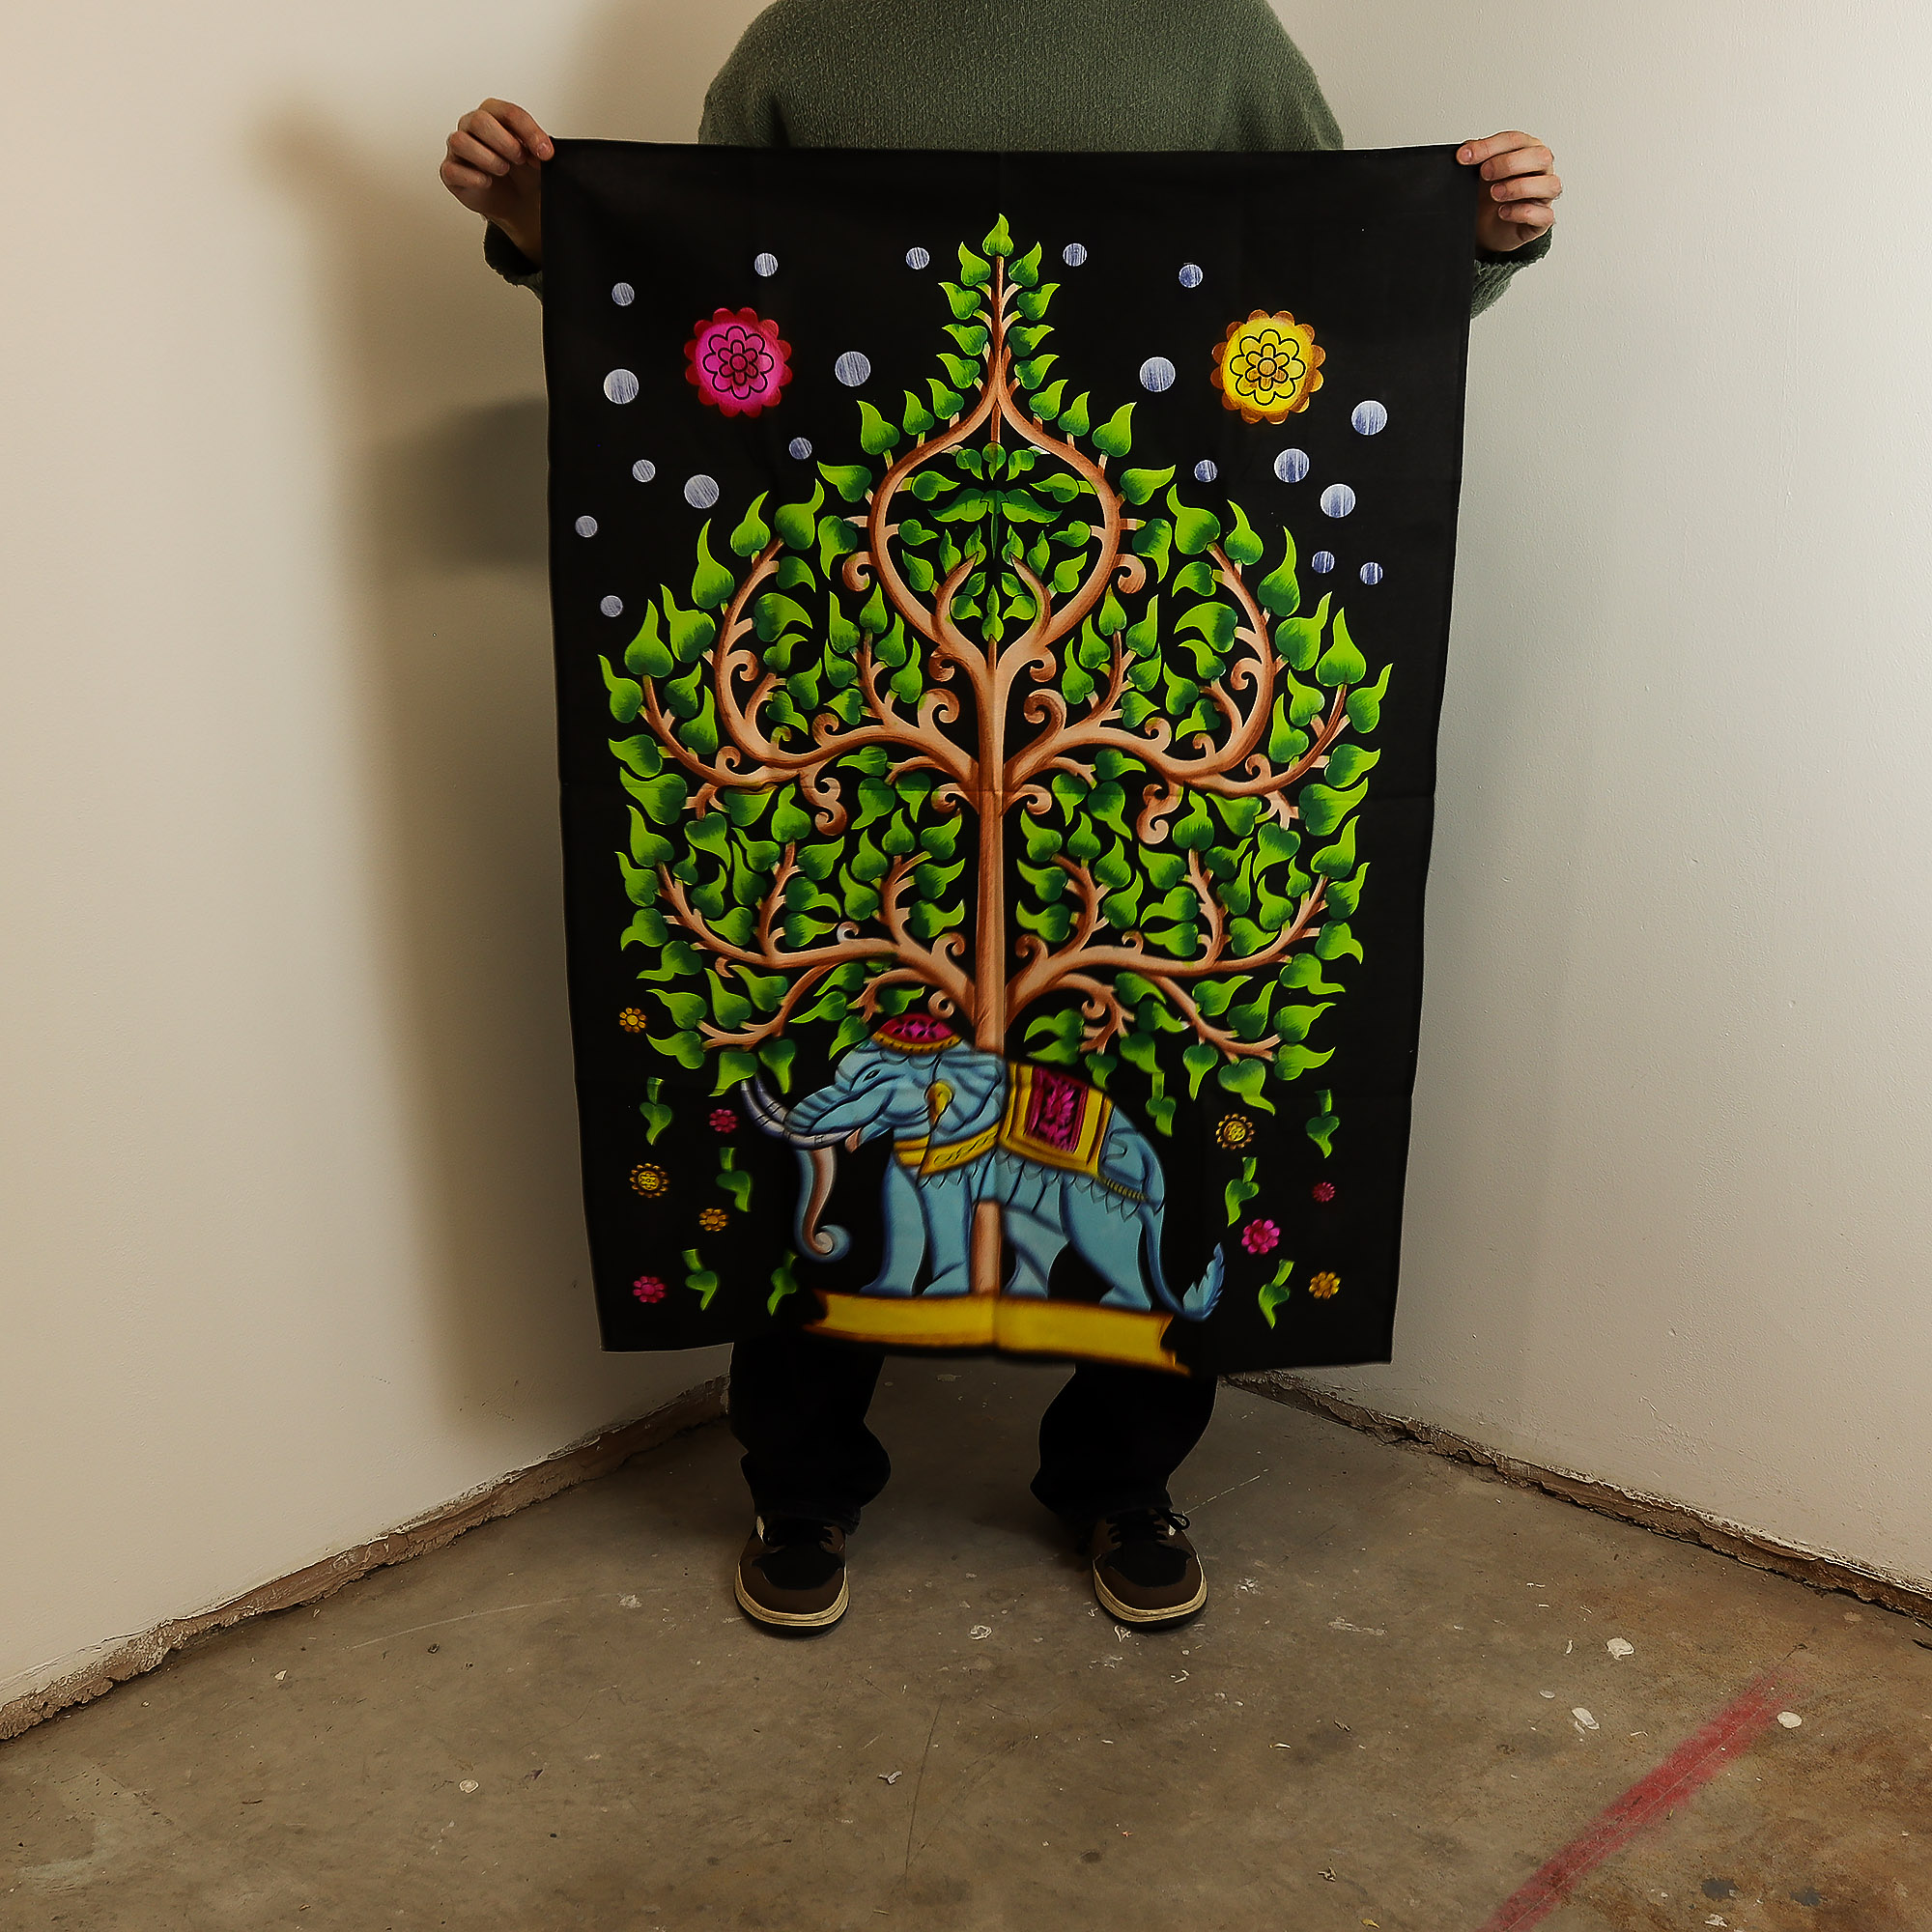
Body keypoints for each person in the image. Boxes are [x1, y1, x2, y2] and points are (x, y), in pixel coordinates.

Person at [439, 0, 1559, 1636]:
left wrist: (1481, 236)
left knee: (1157, 1073)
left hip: (1144, 657)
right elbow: (695, 283)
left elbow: (1338, 265)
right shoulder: (808, 41)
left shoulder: (1215, 39)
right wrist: (549, 224)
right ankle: (801, 1481)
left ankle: (1122, 1475)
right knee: (822, 1043)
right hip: (857, 651)